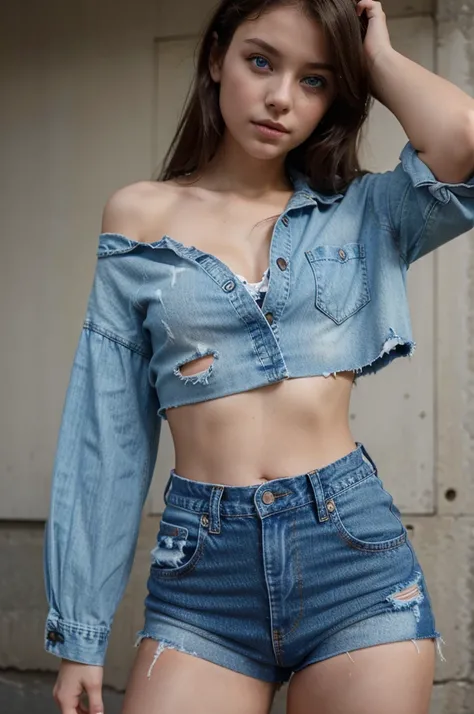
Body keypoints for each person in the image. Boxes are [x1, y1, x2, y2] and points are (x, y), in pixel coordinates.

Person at [44, 0, 474, 712]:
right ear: (216, 58)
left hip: (353, 558)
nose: (280, 97)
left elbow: (463, 139)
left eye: (315, 80)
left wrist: (376, 60)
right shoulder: (138, 216)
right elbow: (107, 431)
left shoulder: (362, 212)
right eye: (262, 61)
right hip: (203, 574)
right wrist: (80, 636)